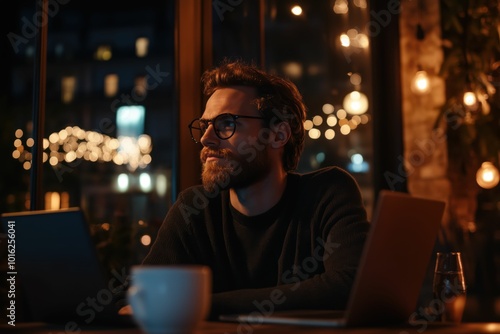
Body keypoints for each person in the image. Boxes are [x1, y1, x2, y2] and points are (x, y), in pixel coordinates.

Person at [120, 59, 370, 319]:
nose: (206, 138)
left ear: (277, 135)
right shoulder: (194, 209)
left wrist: (201, 304)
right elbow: (139, 297)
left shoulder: (327, 193)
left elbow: (350, 286)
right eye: (205, 125)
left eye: (226, 123)